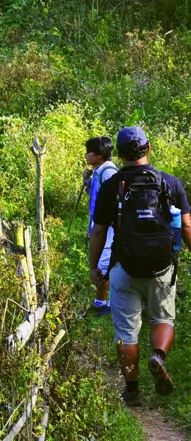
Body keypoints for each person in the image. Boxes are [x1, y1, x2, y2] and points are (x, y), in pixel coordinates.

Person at [89, 126, 191, 407]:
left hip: (125, 266)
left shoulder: (112, 185)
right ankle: (158, 356)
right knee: (163, 319)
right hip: (162, 266)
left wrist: (94, 267)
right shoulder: (171, 182)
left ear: (119, 155)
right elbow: (185, 226)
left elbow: (98, 232)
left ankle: (132, 391)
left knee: (126, 333)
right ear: (148, 148)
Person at [84, 136, 118, 316]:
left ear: (99, 155)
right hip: (102, 225)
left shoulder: (109, 172)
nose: (86, 154)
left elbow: (112, 200)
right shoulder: (99, 171)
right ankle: (102, 303)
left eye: (89, 151)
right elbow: (96, 194)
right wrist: (86, 181)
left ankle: (107, 305)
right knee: (104, 264)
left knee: (104, 265)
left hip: (108, 228)